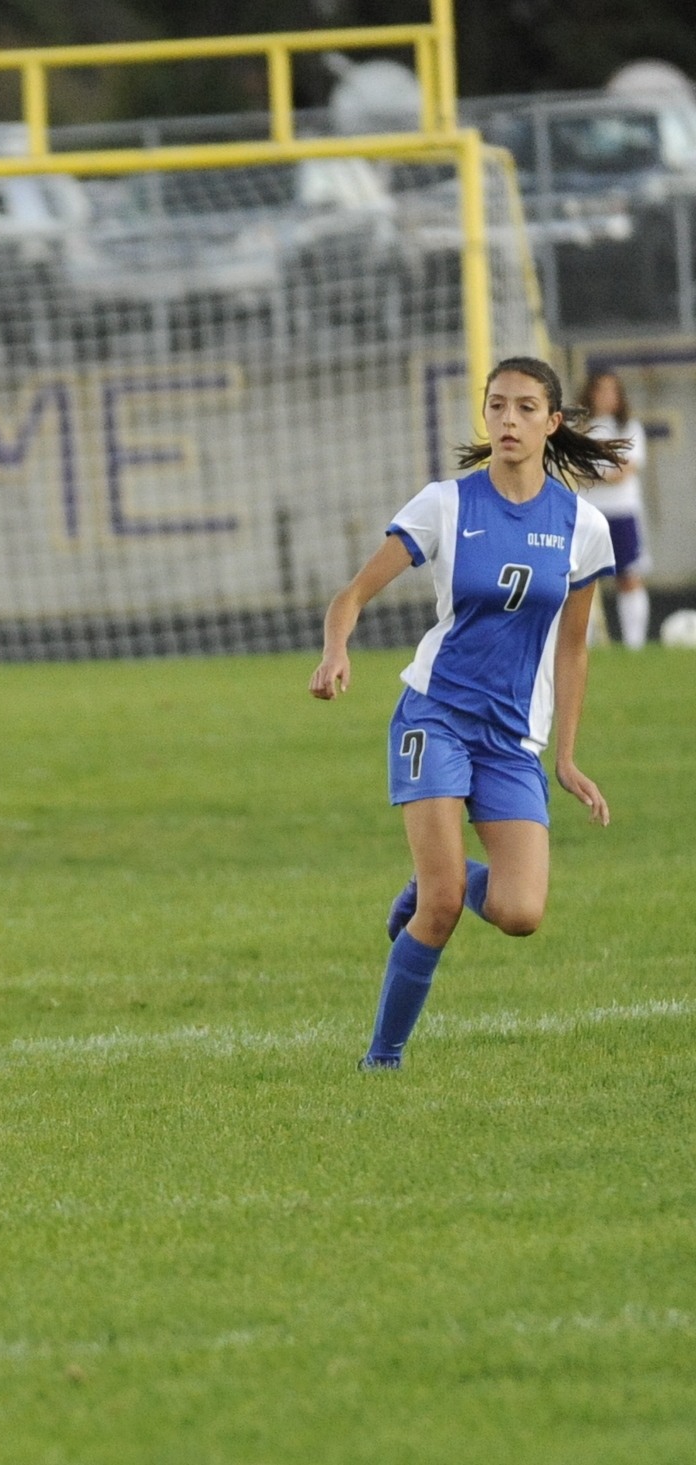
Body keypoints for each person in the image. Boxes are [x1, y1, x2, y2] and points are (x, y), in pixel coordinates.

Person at [310, 358, 621, 1069]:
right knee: (445, 906)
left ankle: (433, 876)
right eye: (496, 406)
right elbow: (351, 595)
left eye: (524, 408)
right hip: (436, 714)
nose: (507, 420)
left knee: (520, 912)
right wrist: (336, 651)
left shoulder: (582, 526)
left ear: (553, 422)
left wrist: (565, 756)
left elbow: (572, 651)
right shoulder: (446, 505)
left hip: (512, 737)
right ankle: (381, 1060)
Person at [578, 370, 651, 650]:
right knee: (583, 579)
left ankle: (635, 645)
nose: (607, 397)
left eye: (612, 391)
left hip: (623, 513)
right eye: (600, 390)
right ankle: (582, 642)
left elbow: (625, 470)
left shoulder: (629, 427)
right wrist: (598, 474)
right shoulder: (581, 429)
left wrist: (594, 475)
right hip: (589, 513)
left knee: (629, 576)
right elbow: (573, 471)